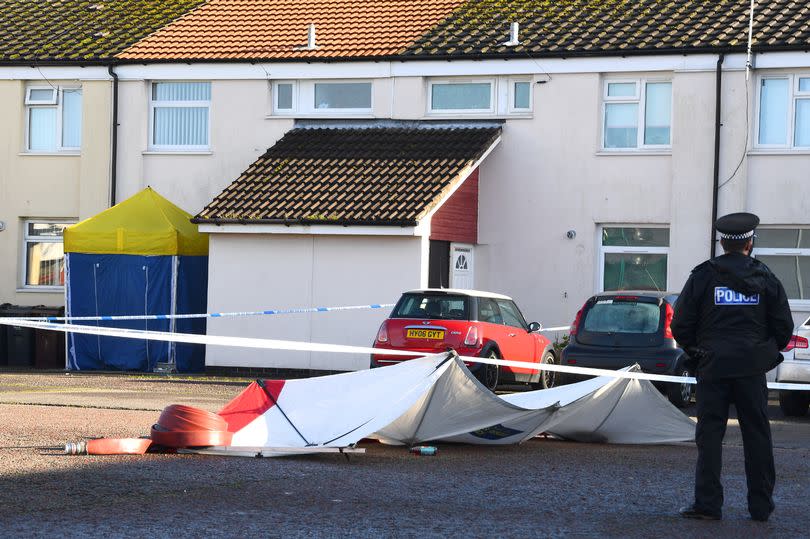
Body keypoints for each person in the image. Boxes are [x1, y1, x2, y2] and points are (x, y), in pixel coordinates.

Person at [671, 212, 793, 522]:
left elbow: (681, 323)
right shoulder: (766, 278)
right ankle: (761, 507)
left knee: (710, 436)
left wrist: (698, 354)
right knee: (757, 436)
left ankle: (708, 505)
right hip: (751, 370)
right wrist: (763, 354)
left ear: (723, 242)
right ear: (750, 243)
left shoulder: (702, 276)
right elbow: (783, 327)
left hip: (713, 368)